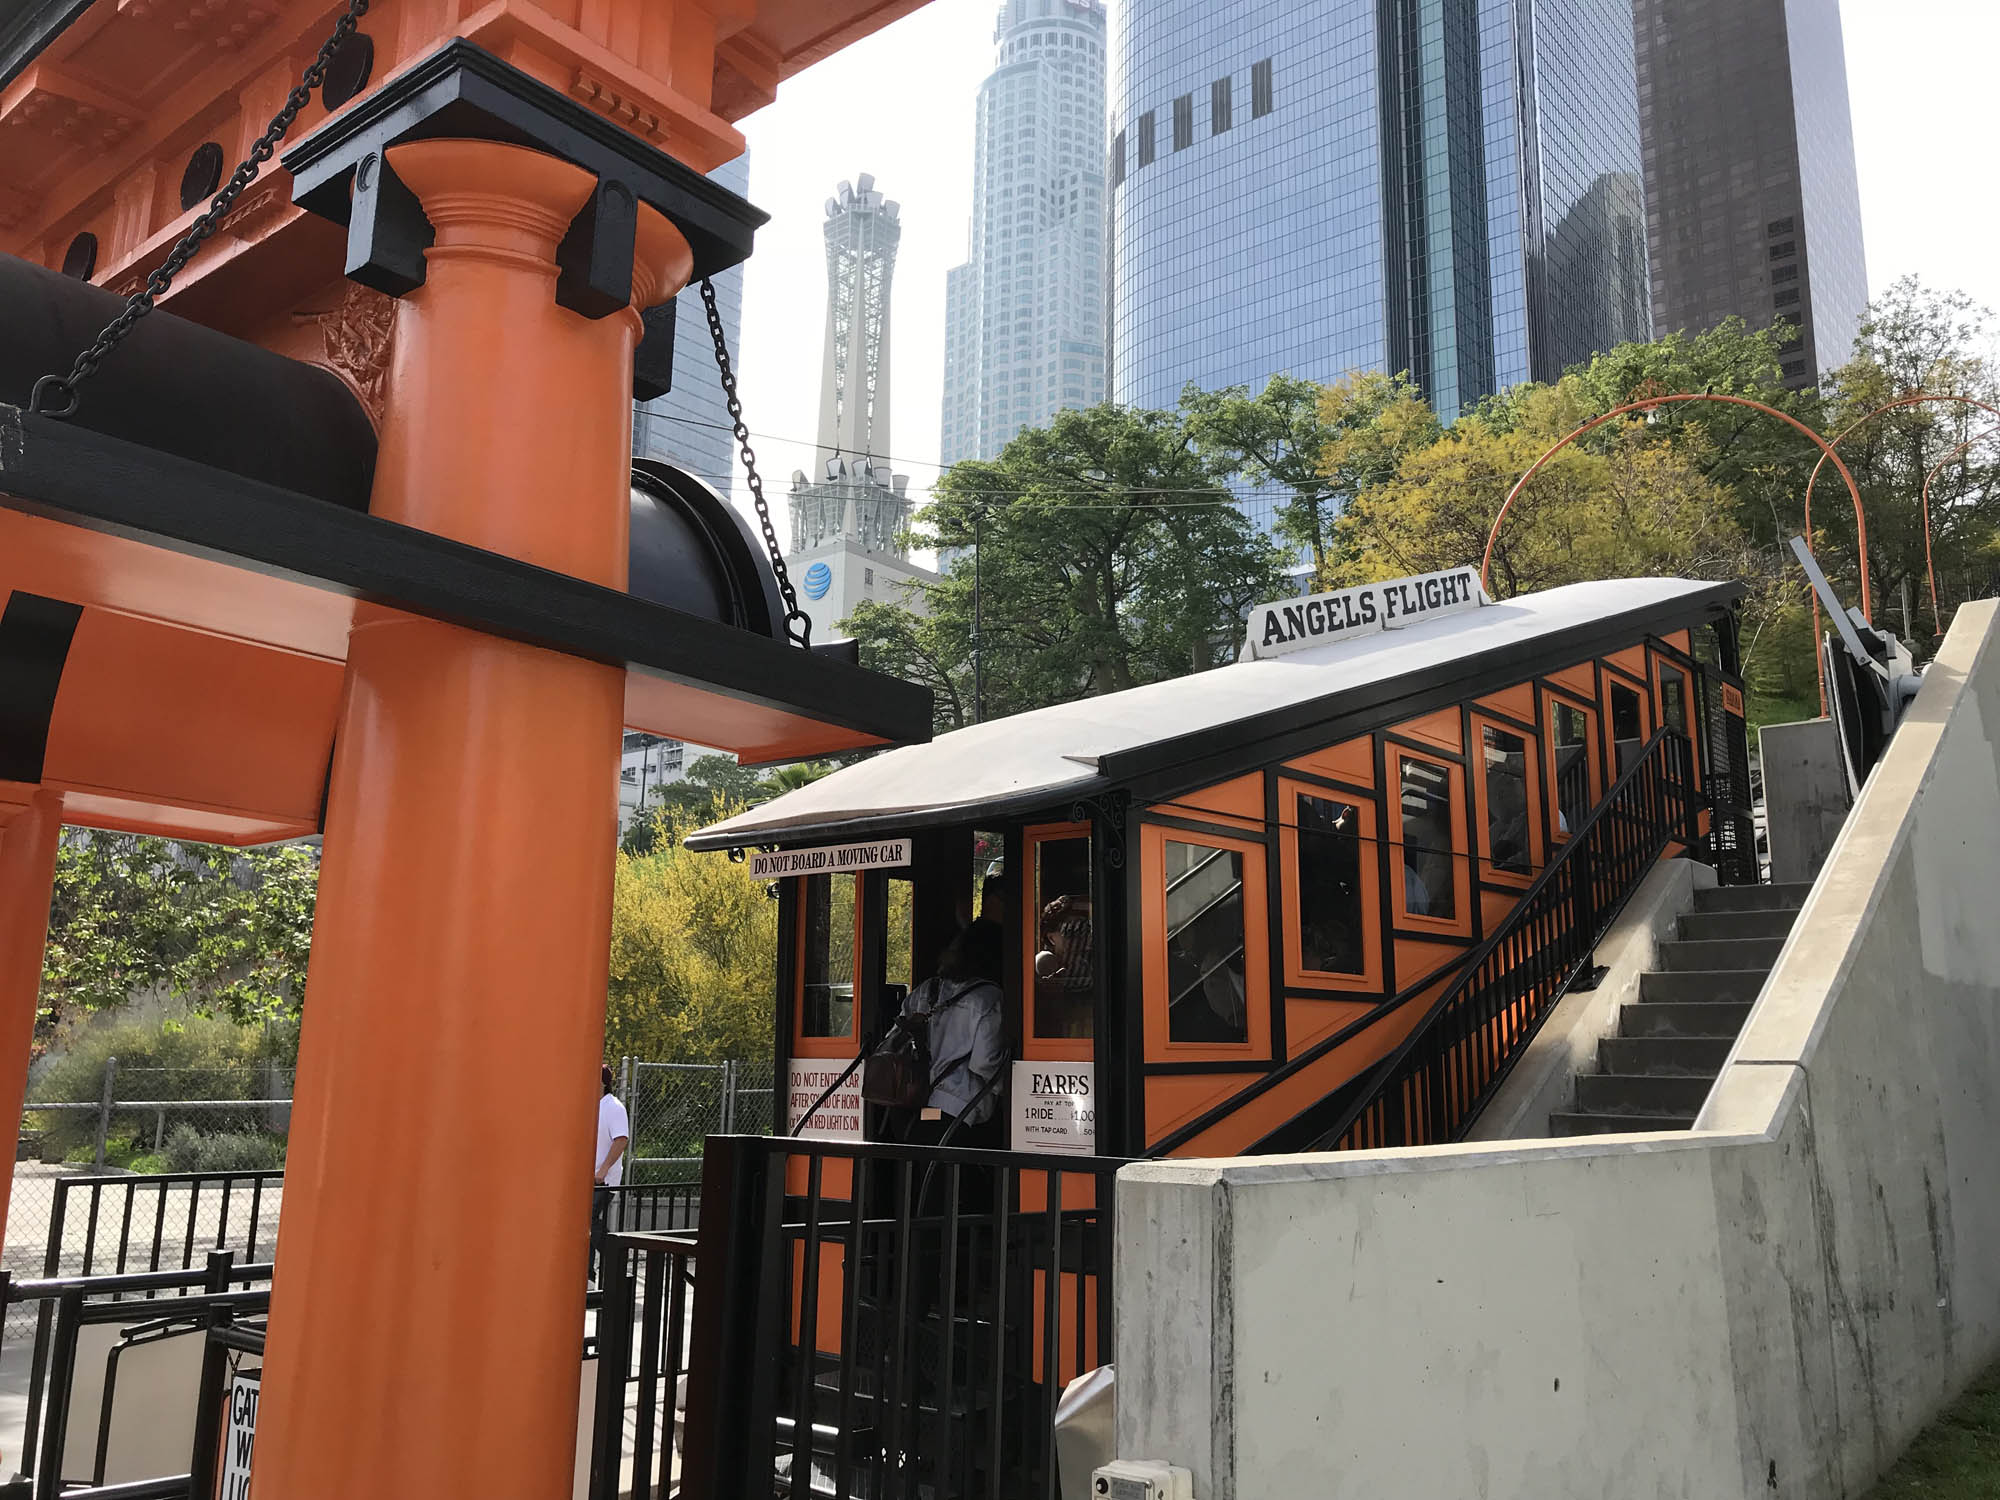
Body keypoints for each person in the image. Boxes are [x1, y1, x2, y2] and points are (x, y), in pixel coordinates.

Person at [897, 919, 1007, 1150]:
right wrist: (1009, 1090)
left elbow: (897, 1036)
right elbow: (984, 1062)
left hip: (914, 1104)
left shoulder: (926, 990)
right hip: (960, 1109)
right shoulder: (988, 997)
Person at [590, 1064, 630, 1284]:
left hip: (603, 1181)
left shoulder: (613, 1107)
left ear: (602, 1082)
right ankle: (588, 1278)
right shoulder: (593, 1106)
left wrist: (603, 1170)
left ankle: (615, 1255)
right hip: (590, 1179)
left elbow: (621, 1139)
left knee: (588, 1221)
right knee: (584, 1230)